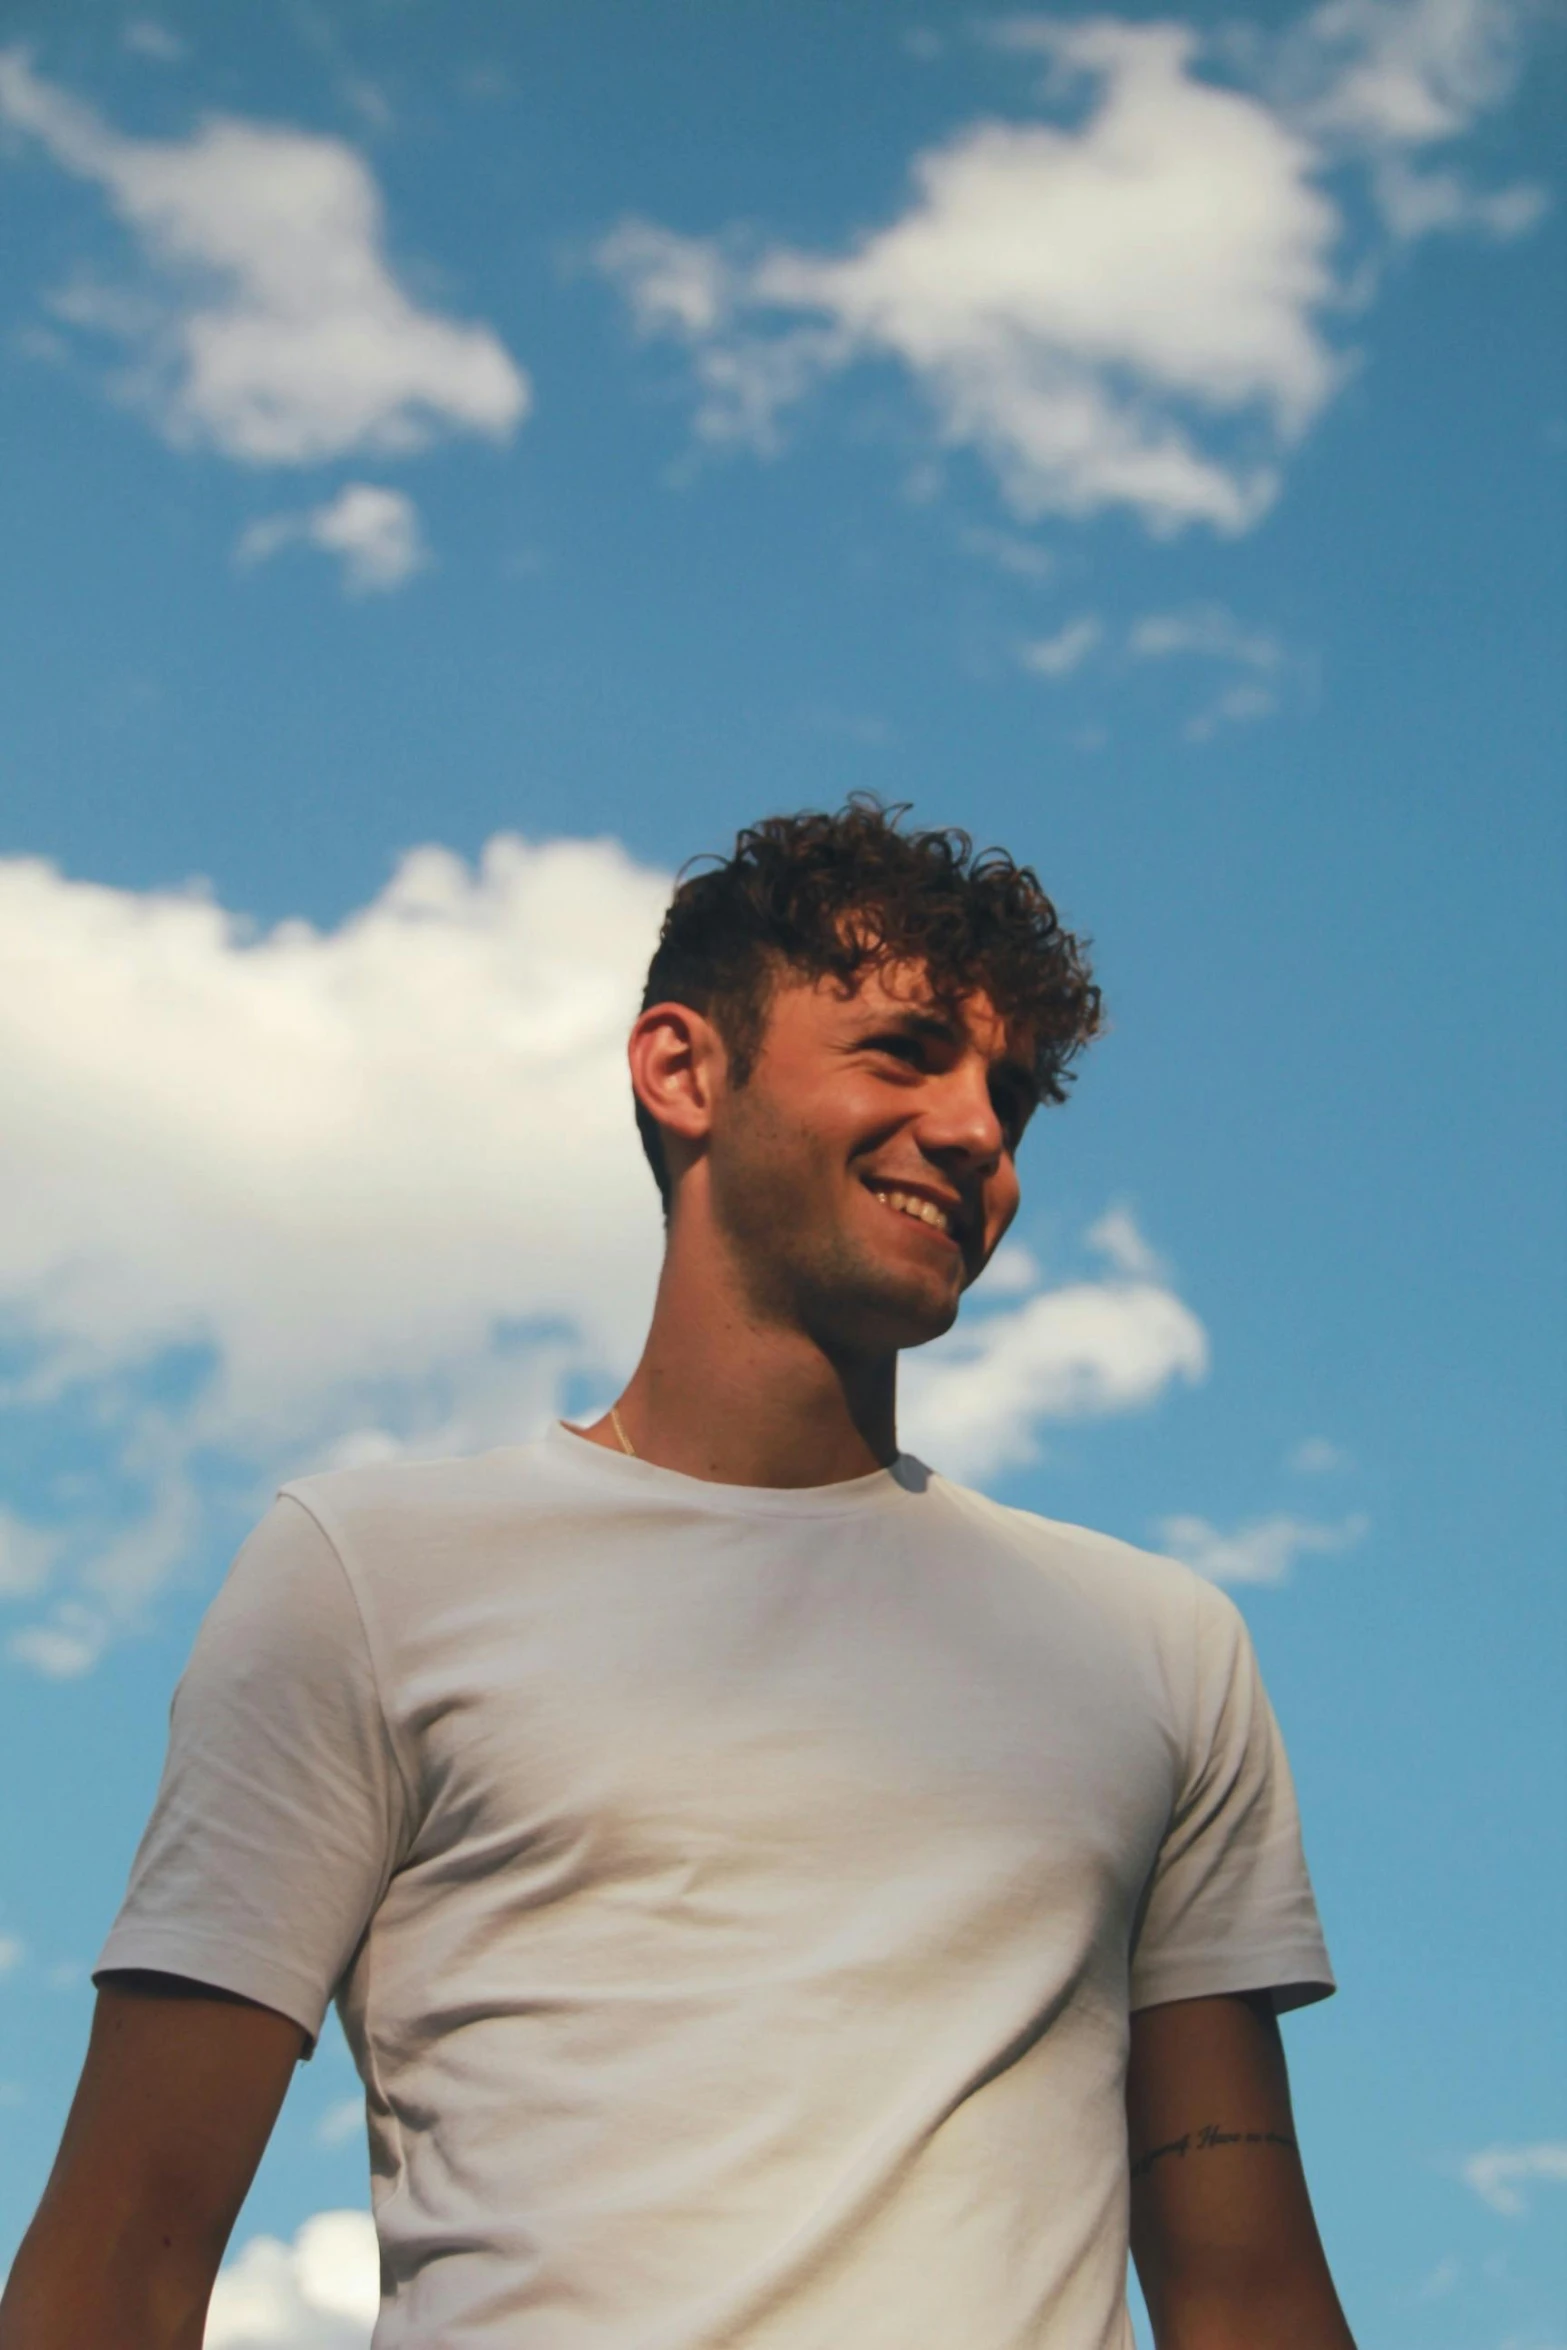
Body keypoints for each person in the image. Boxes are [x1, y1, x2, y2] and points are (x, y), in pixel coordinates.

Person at [0, 801, 1356, 2349]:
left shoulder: (1161, 1648)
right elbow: (117, 2257)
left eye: (1012, 1093)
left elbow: (1244, 2290)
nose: (980, 1130)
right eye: (906, 1050)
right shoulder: (368, 1574)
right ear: (680, 1069)